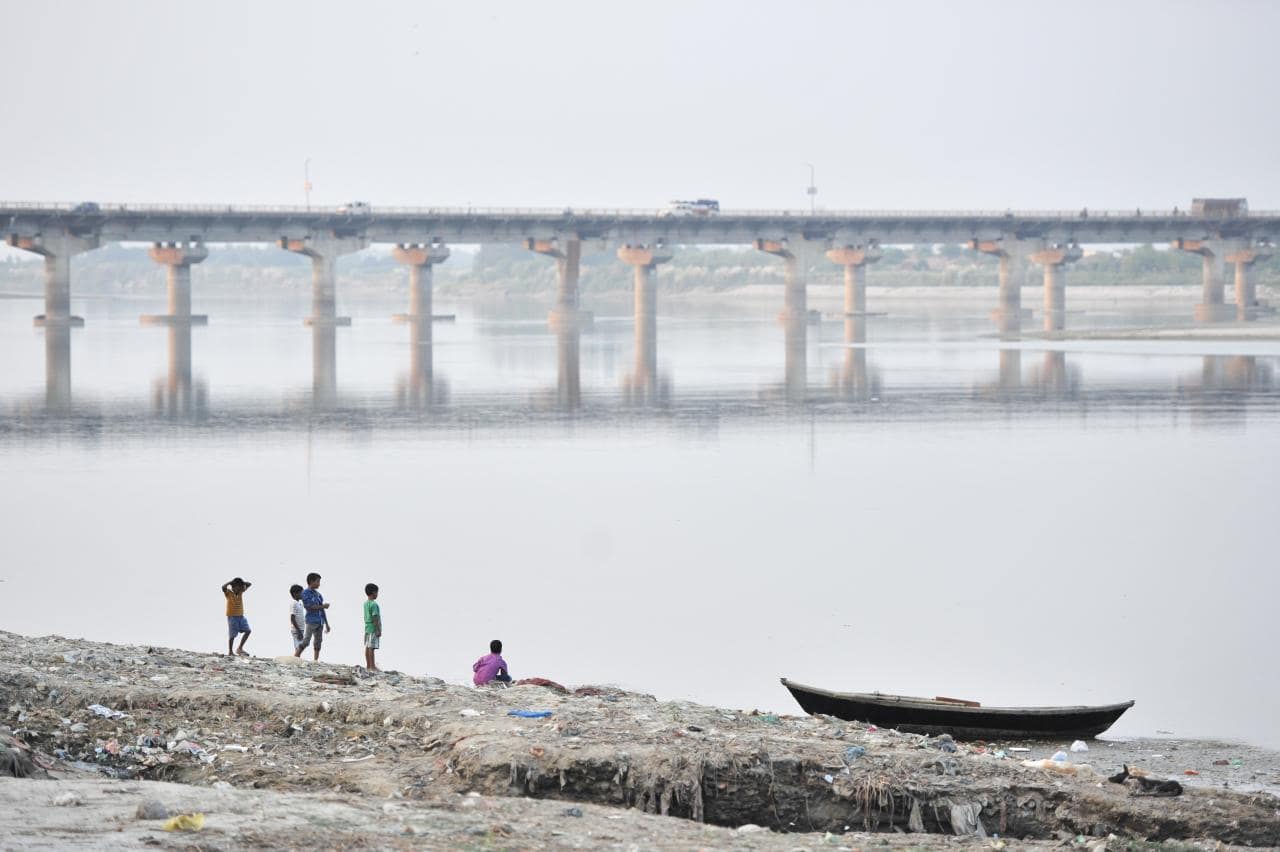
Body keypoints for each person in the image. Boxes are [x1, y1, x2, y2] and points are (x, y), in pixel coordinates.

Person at [295, 572, 330, 661]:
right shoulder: (305, 593)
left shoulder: (318, 595)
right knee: (306, 641)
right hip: (311, 621)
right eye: (317, 581)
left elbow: (322, 610)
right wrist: (323, 606)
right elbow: (309, 607)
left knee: (318, 642)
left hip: (320, 621)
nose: (319, 584)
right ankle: (295, 656)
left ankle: (315, 660)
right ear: (311, 581)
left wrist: (327, 623)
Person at [221, 577, 252, 657]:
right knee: (232, 635)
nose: (239, 589)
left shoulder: (241, 592)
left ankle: (240, 648)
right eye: (238, 587)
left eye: (240, 587)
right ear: (233, 587)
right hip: (232, 617)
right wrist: (231, 582)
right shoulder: (229, 593)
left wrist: (242, 583)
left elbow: (249, 584)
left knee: (248, 631)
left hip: (241, 616)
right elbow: (223, 587)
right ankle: (230, 651)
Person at [362, 583, 382, 672]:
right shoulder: (374, 604)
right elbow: (375, 617)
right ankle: (372, 666)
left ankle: (368, 665)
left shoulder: (366, 603)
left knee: (367, 646)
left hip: (367, 627)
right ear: (373, 593)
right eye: (377, 592)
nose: (377, 594)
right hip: (373, 628)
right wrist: (378, 629)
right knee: (371, 648)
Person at [288, 584, 306, 653]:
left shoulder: (300, 603)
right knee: (298, 647)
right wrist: (298, 631)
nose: (303, 595)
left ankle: (297, 658)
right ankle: (296, 659)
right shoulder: (294, 603)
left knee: (300, 646)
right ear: (295, 594)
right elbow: (292, 618)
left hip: (301, 629)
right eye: (301, 593)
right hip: (297, 630)